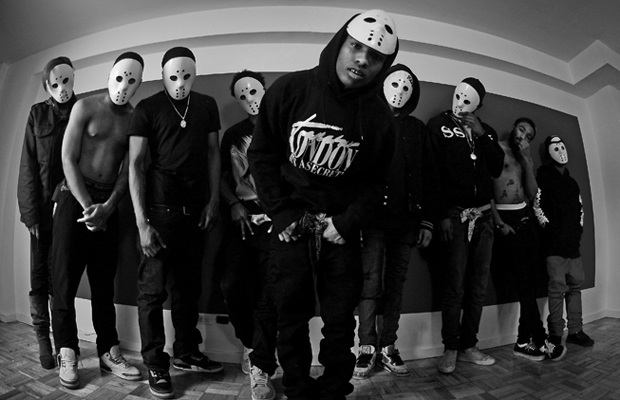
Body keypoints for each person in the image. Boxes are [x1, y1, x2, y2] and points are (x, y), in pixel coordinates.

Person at [248, 9, 399, 400]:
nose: (362, 60)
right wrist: (282, 212)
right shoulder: (290, 89)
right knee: (290, 316)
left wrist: (347, 223)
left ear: (384, 65)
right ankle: (297, 390)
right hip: (292, 222)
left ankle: (333, 392)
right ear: (339, 43)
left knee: (340, 321)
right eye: (355, 47)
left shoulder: (380, 118)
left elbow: (376, 183)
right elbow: (261, 155)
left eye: (375, 56)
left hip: (340, 230)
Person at [128, 46, 222, 399]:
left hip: (195, 211)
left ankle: (186, 351)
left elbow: (213, 154)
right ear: (163, 75)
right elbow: (135, 164)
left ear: (195, 74)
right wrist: (142, 223)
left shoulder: (206, 105)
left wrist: (213, 201)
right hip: (158, 211)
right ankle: (156, 362)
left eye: (186, 75)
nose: (180, 83)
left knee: (188, 288)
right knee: (152, 292)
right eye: (173, 76)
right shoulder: (147, 108)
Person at [52, 52, 144, 388]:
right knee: (64, 281)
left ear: (138, 84)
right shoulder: (85, 107)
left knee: (104, 284)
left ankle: (108, 351)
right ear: (110, 75)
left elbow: (129, 169)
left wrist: (107, 207)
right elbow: (67, 158)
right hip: (75, 199)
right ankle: (67, 351)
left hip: (108, 205)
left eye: (132, 81)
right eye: (120, 77)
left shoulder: (135, 119)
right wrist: (88, 205)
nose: (124, 85)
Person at [353, 64, 440, 379]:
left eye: (406, 87)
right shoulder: (366, 119)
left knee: (395, 287)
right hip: (372, 219)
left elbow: (429, 175)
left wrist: (427, 221)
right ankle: (366, 347)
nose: (400, 91)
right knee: (369, 284)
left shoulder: (417, 129)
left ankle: (388, 346)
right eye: (395, 84)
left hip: (406, 221)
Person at [427, 77, 504, 374]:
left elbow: (496, 168)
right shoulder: (438, 125)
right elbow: (432, 171)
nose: (460, 103)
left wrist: (482, 134)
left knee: (478, 287)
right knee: (454, 286)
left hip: (484, 218)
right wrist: (440, 215)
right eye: (458, 96)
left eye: (468, 100)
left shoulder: (487, 132)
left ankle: (469, 345)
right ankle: (451, 347)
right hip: (456, 216)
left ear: (479, 106)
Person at [218, 70, 278, 400]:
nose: (249, 99)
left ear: (265, 89)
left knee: (269, 293)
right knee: (231, 285)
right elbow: (220, 175)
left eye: (254, 91)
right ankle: (252, 344)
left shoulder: (282, 128)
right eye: (241, 96)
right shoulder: (233, 134)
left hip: (275, 221)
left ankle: (262, 364)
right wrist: (233, 204)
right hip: (241, 218)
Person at [17, 56, 77, 370]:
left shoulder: (82, 111)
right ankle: (43, 337)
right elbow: (27, 165)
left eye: (66, 81)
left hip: (69, 210)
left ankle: (64, 342)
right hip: (40, 214)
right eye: (54, 83)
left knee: (62, 280)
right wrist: (30, 215)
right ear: (46, 86)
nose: (61, 88)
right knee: (39, 278)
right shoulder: (37, 113)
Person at [490, 118, 567, 361]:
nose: (523, 136)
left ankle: (523, 341)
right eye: (522, 129)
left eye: (529, 135)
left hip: (526, 222)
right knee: (523, 284)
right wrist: (498, 223)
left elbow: (533, 194)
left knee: (530, 286)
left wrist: (528, 160)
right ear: (514, 127)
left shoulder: (525, 157)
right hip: (506, 221)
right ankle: (541, 340)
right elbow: (486, 187)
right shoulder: (496, 148)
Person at [534, 135, 594, 348]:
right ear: (548, 153)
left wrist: (578, 231)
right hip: (554, 247)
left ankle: (576, 330)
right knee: (556, 290)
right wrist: (551, 231)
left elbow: (580, 208)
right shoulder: (543, 179)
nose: (561, 151)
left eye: (562, 146)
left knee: (575, 287)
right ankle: (556, 334)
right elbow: (537, 207)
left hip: (573, 247)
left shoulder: (572, 182)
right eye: (556, 148)